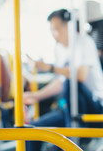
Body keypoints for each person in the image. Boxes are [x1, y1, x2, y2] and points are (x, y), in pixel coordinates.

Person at [24, 9, 103, 151]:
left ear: (69, 27)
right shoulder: (59, 49)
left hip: (94, 107)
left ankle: (77, 136)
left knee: (70, 82)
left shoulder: (84, 42)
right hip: (71, 110)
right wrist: (36, 96)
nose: (53, 34)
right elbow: (59, 82)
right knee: (32, 131)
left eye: (56, 29)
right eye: (51, 29)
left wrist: (49, 67)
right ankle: (71, 132)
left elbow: (80, 76)